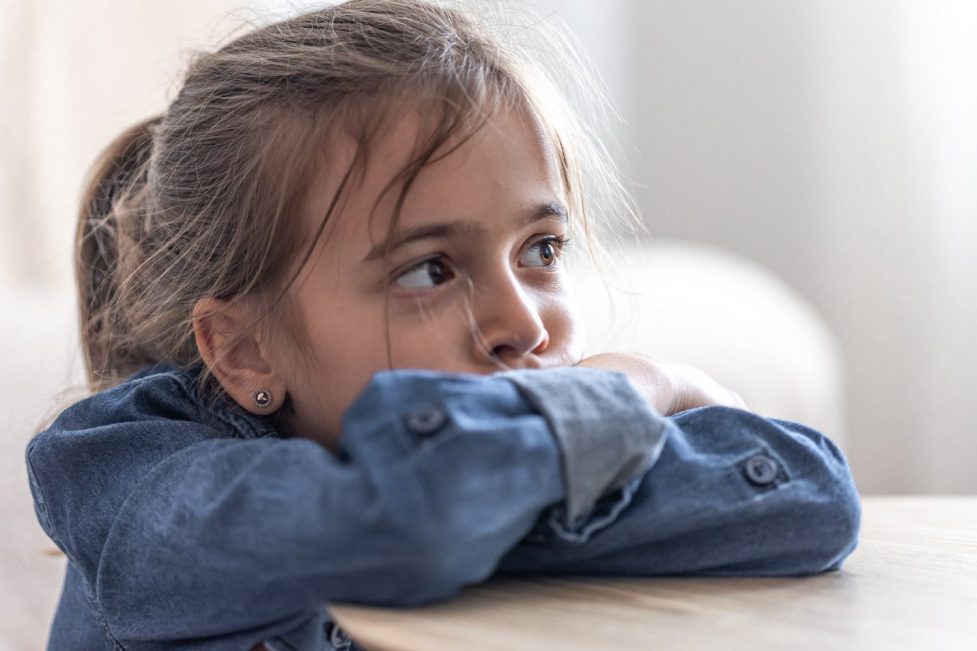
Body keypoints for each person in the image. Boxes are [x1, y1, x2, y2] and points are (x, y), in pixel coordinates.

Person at [25, 1, 860, 649]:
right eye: (429, 270)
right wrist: (632, 390)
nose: (521, 322)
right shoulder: (125, 473)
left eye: (541, 248)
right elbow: (417, 520)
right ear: (244, 349)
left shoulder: (499, 469)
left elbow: (805, 501)